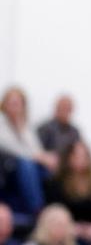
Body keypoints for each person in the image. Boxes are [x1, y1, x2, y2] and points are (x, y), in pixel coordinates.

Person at [46, 139, 91, 245]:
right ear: (68, 157)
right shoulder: (55, 184)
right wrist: (70, 227)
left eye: (84, 156)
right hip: (66, 231)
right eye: (76, 155)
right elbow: (52, 210)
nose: (80, 160)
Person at [0, 86, 57, 216]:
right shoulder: (1, 124)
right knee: (26, 164)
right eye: (12, 102)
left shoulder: (25, 126)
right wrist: (40, 157)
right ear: (4, 104)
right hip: (8, 169)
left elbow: (37, 149)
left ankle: (56, 210)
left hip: (29, 167)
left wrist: (47, 157)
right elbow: (14, 149)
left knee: (51, 168)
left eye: (18, 103)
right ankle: (37, 210)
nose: (15, 106)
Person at [37, 95, 81, 162]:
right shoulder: (45, 128)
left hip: (69, 166)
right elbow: (37, 151)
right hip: (49, 166)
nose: (65, 111)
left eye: (68, 108)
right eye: (63, 108)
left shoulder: (74, 132)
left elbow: (79, 151)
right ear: (56, 108)